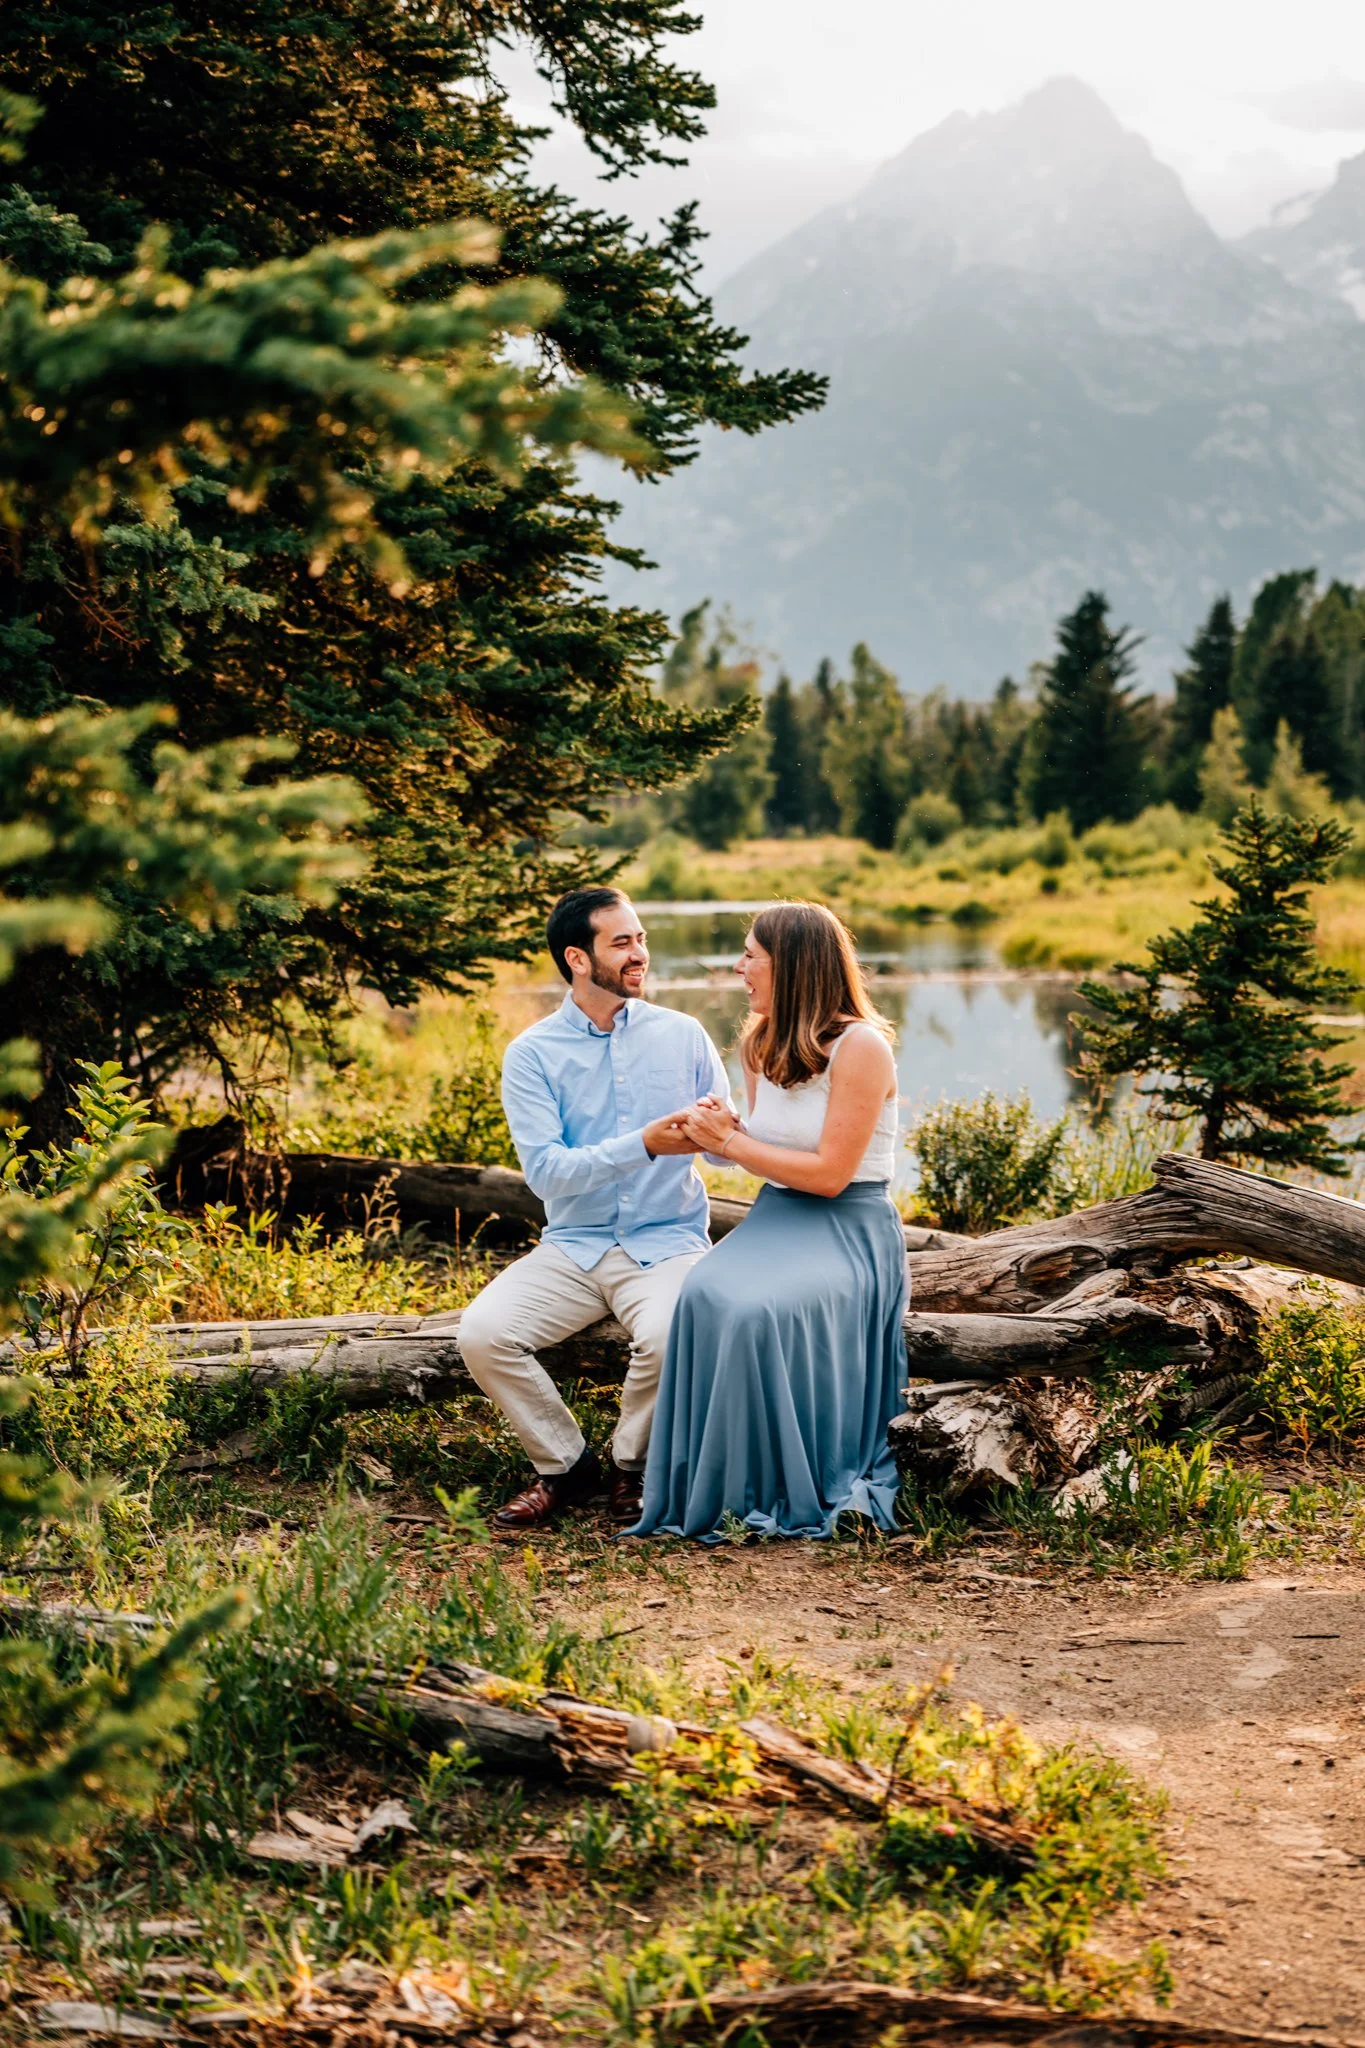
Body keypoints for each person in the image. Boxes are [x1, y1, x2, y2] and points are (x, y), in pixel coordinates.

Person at [630, 900, 906, 1542]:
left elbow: (831, 1173)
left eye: (751, 955)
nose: (739, 967)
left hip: (847, 1226)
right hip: (778, 1216)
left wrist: (731, 1145)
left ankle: (782, 1478)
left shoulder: (862, 1048)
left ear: (795, 965)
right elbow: (771, 1157)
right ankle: (719, 1484)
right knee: (703, 1293)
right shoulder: (760, 1043)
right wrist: (719, 1130)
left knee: (756, 1312)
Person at [458, 886, 731, 1530]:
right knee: (482, 1334)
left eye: (640, 938)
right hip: (574, 1248)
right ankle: (564, 1468)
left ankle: (630, 1470)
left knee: (669, 1335)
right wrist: (642, 1145)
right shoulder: (532, 1054)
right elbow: (547, 1174)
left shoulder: (683, 1035)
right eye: (623, 942)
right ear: (578, 959)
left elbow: (724, 1155)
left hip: (667, 1243)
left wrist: (725, 1132)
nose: (640, 953)